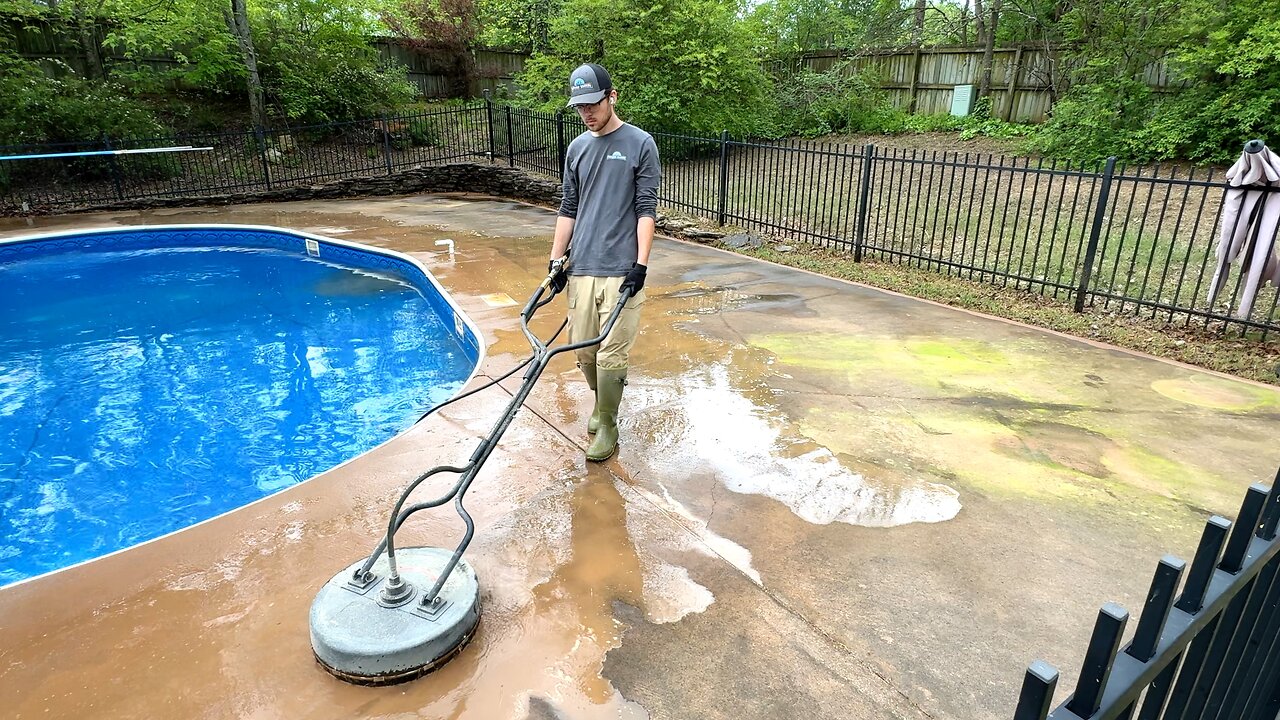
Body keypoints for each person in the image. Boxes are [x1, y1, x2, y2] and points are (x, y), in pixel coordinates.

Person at [547, 63, 661, 462]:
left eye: (593, 104)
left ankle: (608, 422)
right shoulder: (576, 148)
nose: (587, 114)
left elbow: (646, 207)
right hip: (582, 267)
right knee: (584, 353)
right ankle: (601, 403)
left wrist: (641, 264)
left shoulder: (641, 143)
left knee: (612, 354)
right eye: (580, 108)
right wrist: (556, 260)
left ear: (612, 97)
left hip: (621, 268)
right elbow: (569, 207)